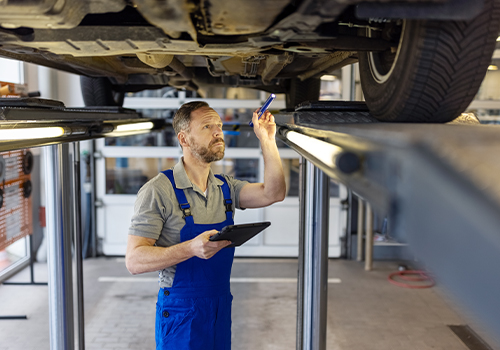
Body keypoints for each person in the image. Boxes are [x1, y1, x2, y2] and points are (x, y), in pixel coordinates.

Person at [125, 101, 286, 350]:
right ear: (184, 139)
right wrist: (190, 248)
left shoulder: (225, 187)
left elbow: (273, 193)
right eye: (207, 126)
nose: (218, 132)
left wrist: (267, 139)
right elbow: (134, 260)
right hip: (181, 311)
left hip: (219, 305)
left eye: (219, 126)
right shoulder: (158, 190)